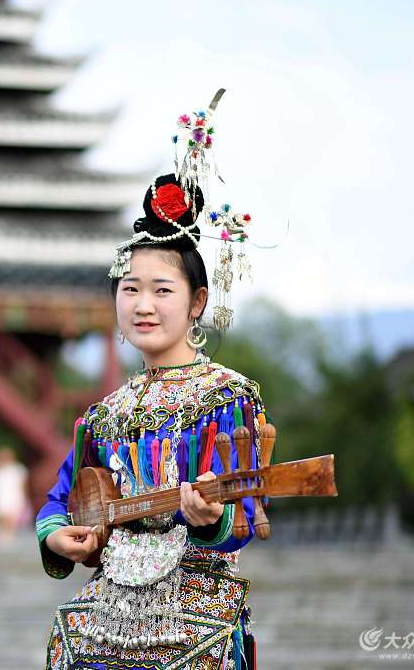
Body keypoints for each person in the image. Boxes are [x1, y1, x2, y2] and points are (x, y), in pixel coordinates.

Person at [36, 93, 266, 670]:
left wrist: (213, 521)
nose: (142, 304)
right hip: (108, 605)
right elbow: (62, 497)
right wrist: (56, 536)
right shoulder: (103, 412)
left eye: (162, 290)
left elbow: (245, 511)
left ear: (198, 303)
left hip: (197, 603)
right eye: (130, 288)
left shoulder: (229, 395)